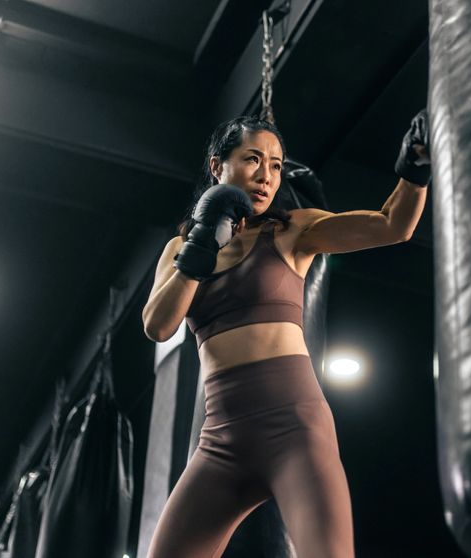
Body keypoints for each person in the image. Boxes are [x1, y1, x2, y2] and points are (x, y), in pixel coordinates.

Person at [142, 112, 429, 558]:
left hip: (293, 428)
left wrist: (414, 171)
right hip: (220, 442)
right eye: (253, 159)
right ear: (218, 167)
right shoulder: (179, 249)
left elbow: (393, 225)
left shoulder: (293, 230)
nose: (266, 176)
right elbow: (158, 325)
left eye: (276, 165)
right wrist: (203, 244)